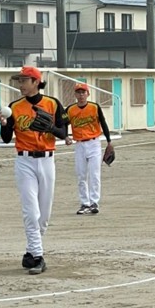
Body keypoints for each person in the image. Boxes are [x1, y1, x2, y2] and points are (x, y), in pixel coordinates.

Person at [0, 66, 67, 275]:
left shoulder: (52, 104)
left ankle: (29, 253)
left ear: (36, 82)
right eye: (19, 81)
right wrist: (3, 123)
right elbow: (6, 138)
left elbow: (64, 132)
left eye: (24, 80)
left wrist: (50, 129)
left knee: (43, 216)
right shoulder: (14, 106)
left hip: (47, 160)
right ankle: (38, 256)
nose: (20, 85)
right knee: (31, 211)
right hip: (24, 161)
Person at [64, 82, 115, 215]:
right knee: (81, 175)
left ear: (88, 94)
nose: (81, 95)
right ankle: (84, 203)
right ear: (75, 94)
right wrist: (65, 136)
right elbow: (63, 123)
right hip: (79, 144)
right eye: (78, 92)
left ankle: (94, 202)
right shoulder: (70, 109)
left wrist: (109, 142)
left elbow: (103, 123)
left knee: (94, 174)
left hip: (94, 143)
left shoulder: (94, 107)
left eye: (83, 92)